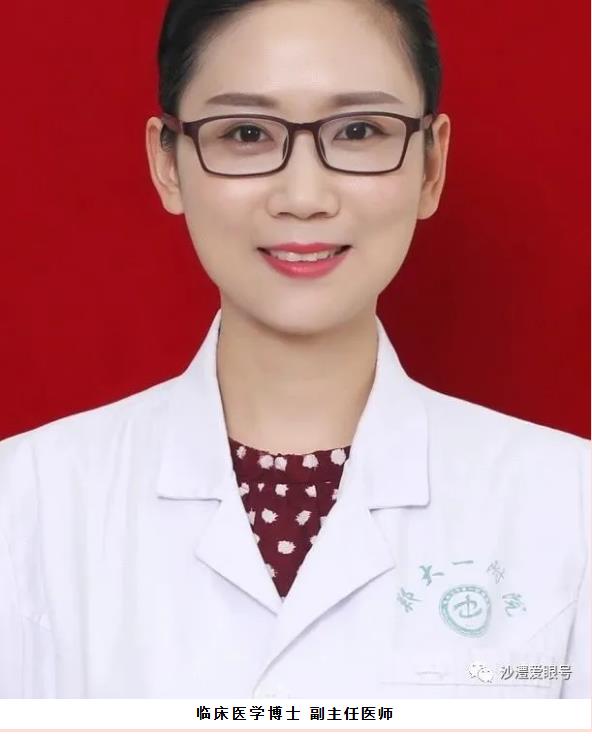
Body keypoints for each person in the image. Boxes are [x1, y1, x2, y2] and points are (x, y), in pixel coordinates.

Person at [0, 0, 589, 700]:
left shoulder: (569, 505)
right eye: (246, 132)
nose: (304, 197)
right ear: (167, 164)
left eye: (360, 130)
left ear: (431, 163)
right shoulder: (26, 502)